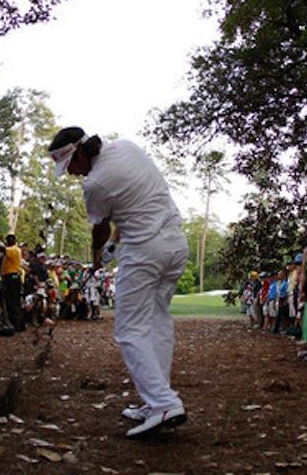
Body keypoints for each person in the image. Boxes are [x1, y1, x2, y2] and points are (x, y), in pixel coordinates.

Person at [49, 126, 188, 438]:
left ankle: (164, 403)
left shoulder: (95, 183)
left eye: (70, 165)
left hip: (144, 253)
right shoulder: (127, 148)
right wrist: (114, 244)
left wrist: (98, 254)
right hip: (176, 244)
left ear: (80, 153)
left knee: (130, 330)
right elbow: (134, 205)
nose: (71, 174)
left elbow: (99, 227)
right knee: (157, 321)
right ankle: (155, 401)